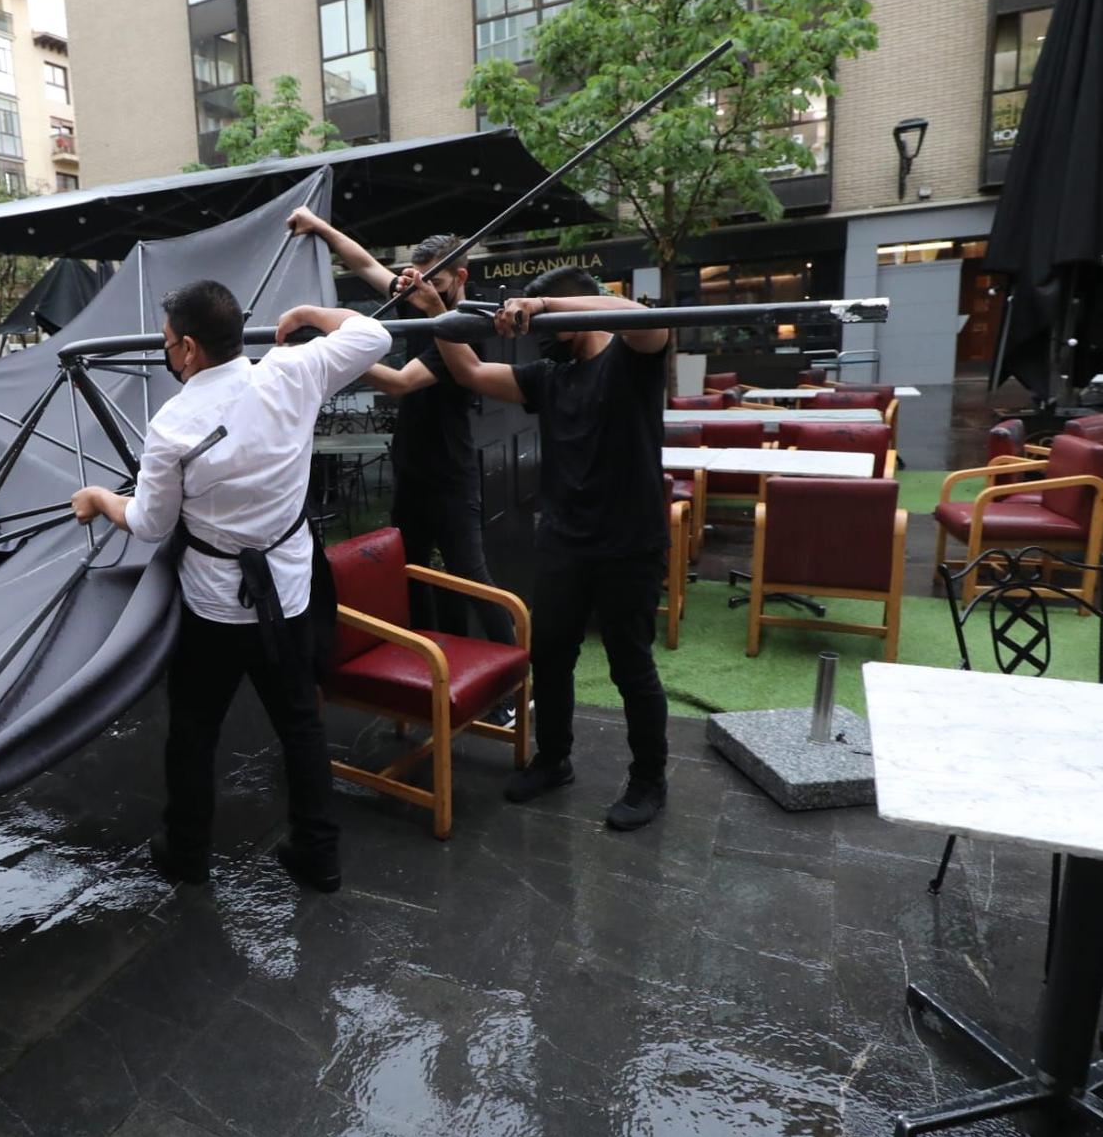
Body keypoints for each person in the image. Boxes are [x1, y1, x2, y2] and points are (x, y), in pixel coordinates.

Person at [71, 279, 391, 891]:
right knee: (300, 725)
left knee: (194, 732)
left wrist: (100, 499)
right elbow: (372, 333)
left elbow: (149, 522)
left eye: (168, 346)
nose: (167, 355)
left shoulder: (172, 425)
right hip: (290, 593)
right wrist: (310, 312)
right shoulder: (295, 371)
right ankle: (319, 858)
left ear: (188, 349)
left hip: (213, 608)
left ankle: (188, 854)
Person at [425, 266, 674, 831]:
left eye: (551, 316)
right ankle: (554, 760)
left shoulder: (633, 360)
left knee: (630, 665)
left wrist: (546, 305)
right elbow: (468, 370)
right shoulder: (551, 375)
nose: (541, 328)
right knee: (551, 657)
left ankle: (649, 779)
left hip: (628, 543)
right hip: (564, 540)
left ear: (575, 308)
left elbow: (644, 320)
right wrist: (434, 309)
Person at [284, 209, 516, 655]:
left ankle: (512, 681)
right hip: (411, 466)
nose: (424, 290)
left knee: (470, 574)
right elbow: (368, 266)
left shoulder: (469, 327)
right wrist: (320, 225)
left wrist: (327, 352)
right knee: (407, 569)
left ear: (459, 276)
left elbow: (400, 382)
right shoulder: (421, 297)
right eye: (422, 281)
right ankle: (424, 663)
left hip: (451, 473)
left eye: (437, 283)